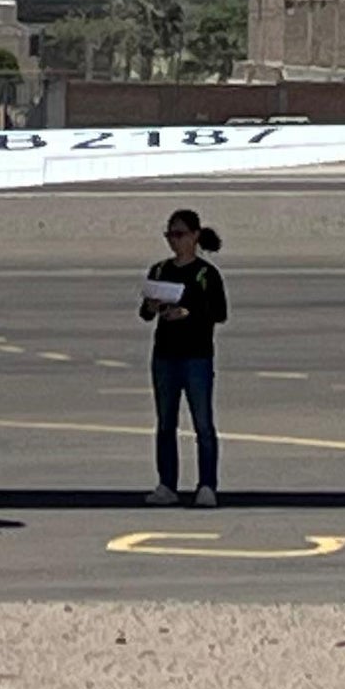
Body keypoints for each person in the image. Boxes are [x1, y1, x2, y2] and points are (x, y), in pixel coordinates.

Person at [140, 209, 226, 508]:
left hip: (196, 357)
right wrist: (153, 306)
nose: (174, 242)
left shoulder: (206, 274)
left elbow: (219, 313)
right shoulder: (160, 270)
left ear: (194, 236)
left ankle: (207, 485)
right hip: (165, 355)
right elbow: (145, 313)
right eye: (170, 235)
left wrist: (187, 313)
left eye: (179, 235)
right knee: (165, 423)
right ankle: (167, 483)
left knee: (203, 424)